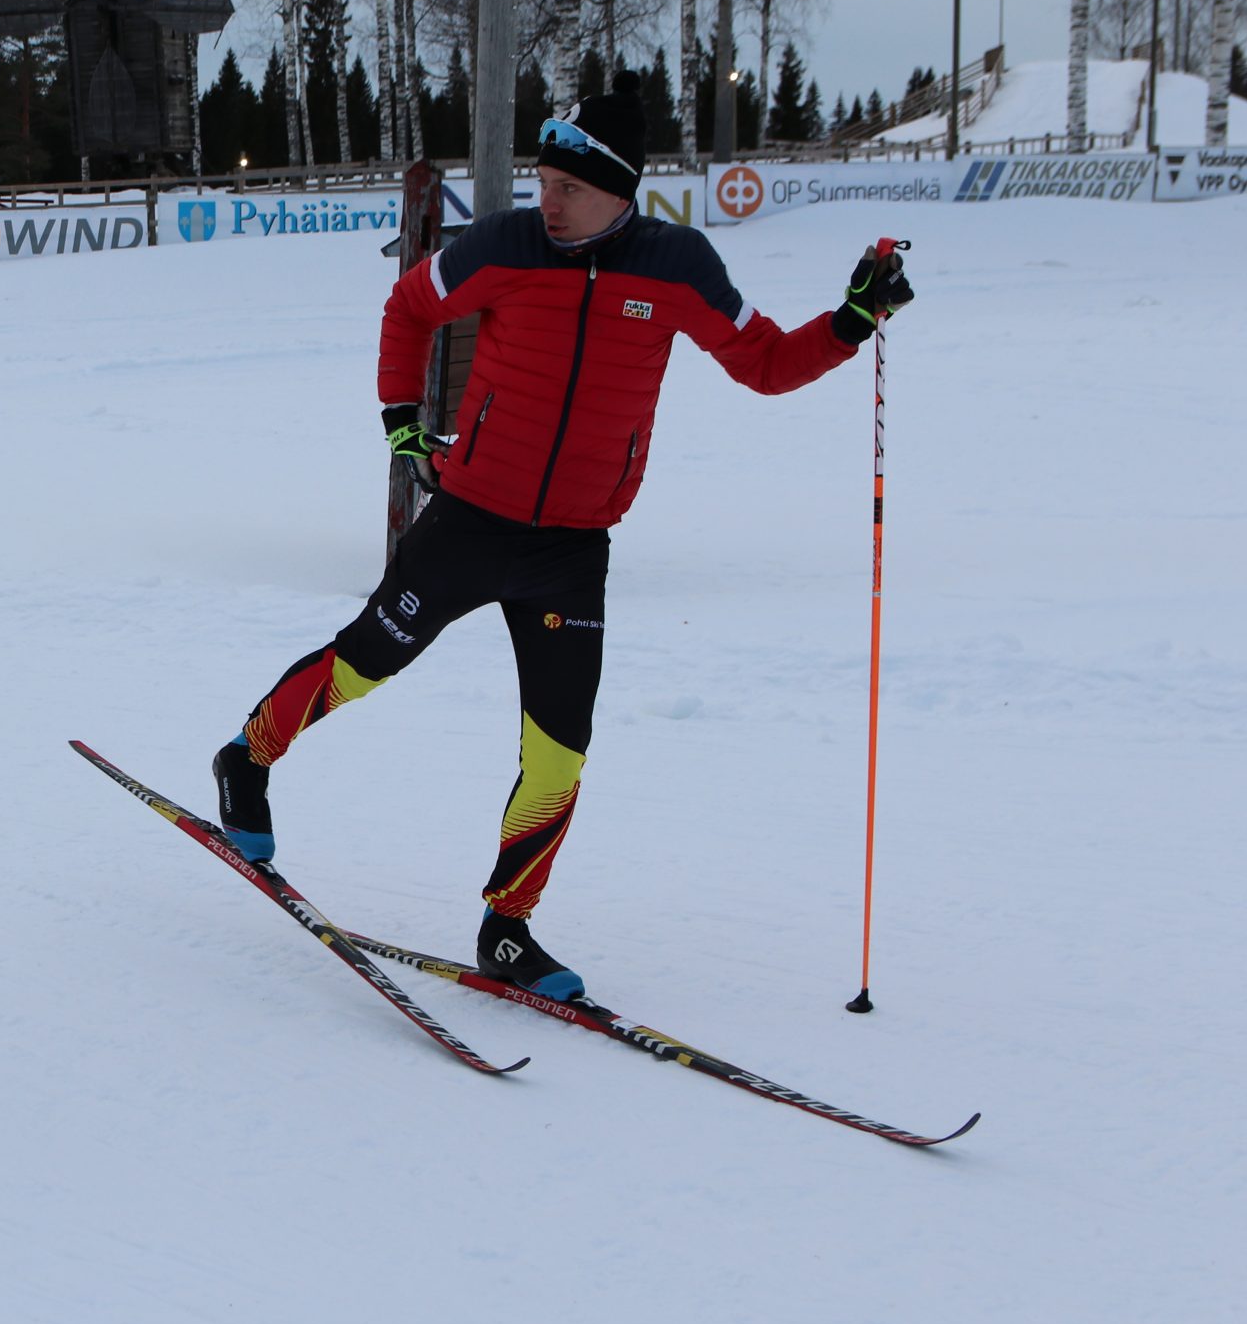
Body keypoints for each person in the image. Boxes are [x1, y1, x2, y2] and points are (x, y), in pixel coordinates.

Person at [210, 70, 912, 1002]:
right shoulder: (504, 244)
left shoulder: (677, 266)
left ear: (621, 187)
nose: (548, 201)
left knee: (559, 748)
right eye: (542, 182)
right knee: (366, 661)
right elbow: (409, 307)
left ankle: (508, 927)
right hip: (470, 517)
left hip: (573, 549)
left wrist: (852, 321)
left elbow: (767, 363)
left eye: (569, 188)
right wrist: (401, 420)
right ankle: (246, 757)